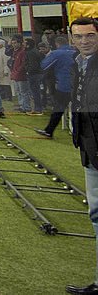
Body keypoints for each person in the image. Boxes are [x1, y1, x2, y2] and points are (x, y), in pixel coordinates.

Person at [67, 17, 98, 295]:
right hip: (88, 148)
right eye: (79, 36)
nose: (84, 41)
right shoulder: (79, 63)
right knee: (96, 214)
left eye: (89, 36)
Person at [36, 34, 74, 138]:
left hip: (64, 85)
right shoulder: (76, 52)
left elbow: (44, 65)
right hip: (80, 85)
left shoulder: (57, 53)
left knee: (59, 108)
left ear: (57, 44)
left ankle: (49, 130)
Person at [7, 35, 31, 113]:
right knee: (19, 91)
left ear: (20, 43)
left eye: (15, 43)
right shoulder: (15, 52)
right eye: (12, 43)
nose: (13, 45)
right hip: (15, 73)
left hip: (21, 75)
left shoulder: (22, 52)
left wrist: (18, 71)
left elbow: (23, 64)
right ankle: (22, 105)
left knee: (23, 91)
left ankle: (26, 106)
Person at [25, 37, 46, 115]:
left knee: (34, 92)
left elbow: (33, 65)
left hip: (34, 74)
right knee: (37, 91)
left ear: (28, 45)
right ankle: (38, 108)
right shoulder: (36, 51)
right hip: (39, 73)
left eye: (25, 43)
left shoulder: (30, 53)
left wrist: (28, 71)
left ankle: (37, 109)